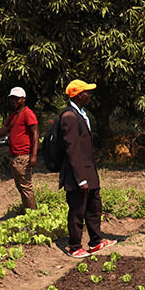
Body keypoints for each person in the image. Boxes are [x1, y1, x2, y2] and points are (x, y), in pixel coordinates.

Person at [60, 80, 116, 258]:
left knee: (94, 205)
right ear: (78, 95)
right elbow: (72, 149)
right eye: (87, 93)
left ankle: (95, 242)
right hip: (78, 172)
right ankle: (74, 246)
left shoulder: (81, 114)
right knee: (77, 209)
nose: (90, 96)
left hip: (88, 168)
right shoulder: (69, 117)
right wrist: (81, 178)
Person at [0, 86, 38, 212]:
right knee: (21, 187)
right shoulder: (13, 116)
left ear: (23, 99)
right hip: (15, 156)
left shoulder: (28, 113)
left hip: (23, 156)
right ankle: (28, 211)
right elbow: (1, 132)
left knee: (26, 187)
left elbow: (35, 134)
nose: (14, 101)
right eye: (12, 99)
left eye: (17, 99)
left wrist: (34, 155)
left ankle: (32, 214)